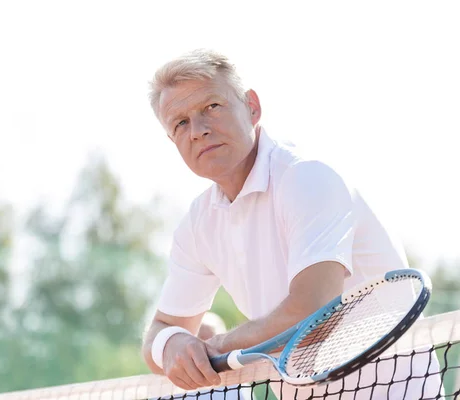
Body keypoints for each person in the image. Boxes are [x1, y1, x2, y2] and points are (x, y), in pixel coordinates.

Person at [141, 48, 441, 399]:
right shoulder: (197, 225)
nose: (198, 130)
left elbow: (313, 311)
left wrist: (216, 346)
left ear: (252, 107)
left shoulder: (307, 177)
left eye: (212, 107)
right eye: (180, 123)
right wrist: (173, 345)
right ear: (173, 139)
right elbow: (159, 331)